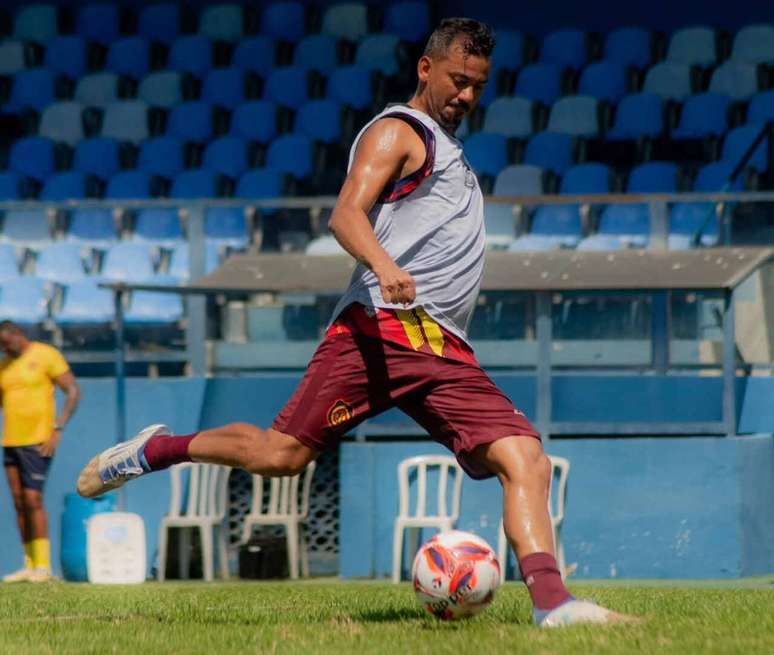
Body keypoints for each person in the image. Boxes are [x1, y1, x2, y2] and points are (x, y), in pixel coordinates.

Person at [77, 18, 634, 626]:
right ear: (426, 69)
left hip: (441, 344)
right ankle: (154, 452)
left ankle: (553, 607)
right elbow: (345, 214)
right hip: (379, 329)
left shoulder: (452, 153)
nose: (466, 96)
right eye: (457, 80)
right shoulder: (399, 132)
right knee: (281, 455)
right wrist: (383, 264)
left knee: (526, 457)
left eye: (477, 85)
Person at [1, 321, 80, 582]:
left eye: (6, 342)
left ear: (18, 335)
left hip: (38, 441)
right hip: (11, 442)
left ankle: (44, 567)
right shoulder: (5, 367)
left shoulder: (45, 354)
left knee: (34, 500)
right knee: (19, 502)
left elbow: (72, 391)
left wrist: (57, 428)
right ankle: (29, 563)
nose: (4, 347)